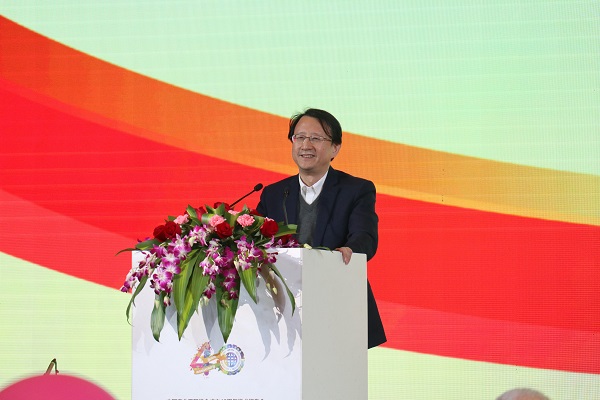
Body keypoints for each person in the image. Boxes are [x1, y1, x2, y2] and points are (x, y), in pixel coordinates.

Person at [256, 108, 387, 348]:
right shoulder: (274, 193)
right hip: (282, 309)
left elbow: (365, 236)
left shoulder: (356, 190)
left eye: (316, 138)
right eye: (299, 137)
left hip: (339, 304)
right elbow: (256, 242)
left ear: (335, 148)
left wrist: (350, 249)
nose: (306, 145)